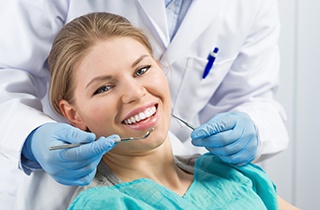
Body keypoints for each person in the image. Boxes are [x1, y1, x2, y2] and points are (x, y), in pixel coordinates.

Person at [0, 0, 289, 208]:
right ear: (72, 113)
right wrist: (31, 136)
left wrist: (252, 128)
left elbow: (252, 96)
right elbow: (7, 72)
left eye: (142, 70)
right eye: (104, 87)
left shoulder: (234, 176)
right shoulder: (109, 202)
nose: (137, 93)